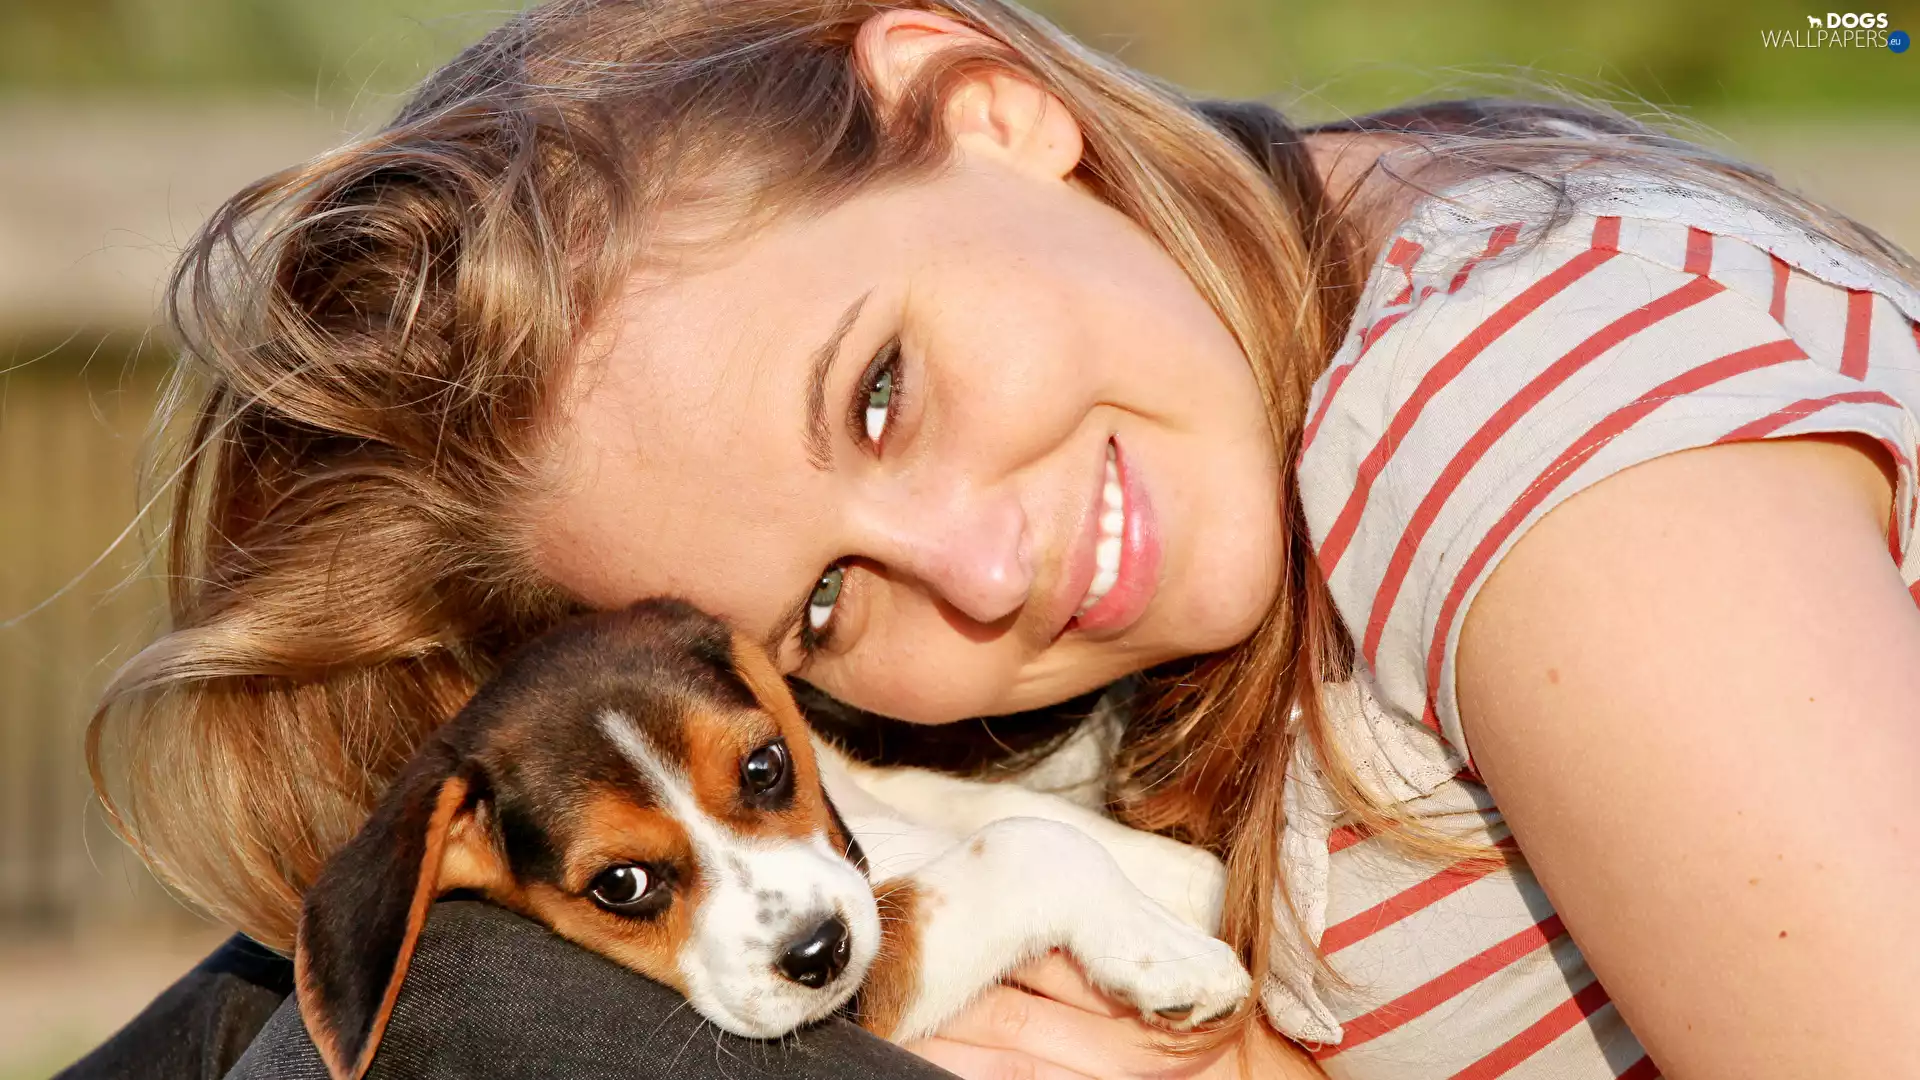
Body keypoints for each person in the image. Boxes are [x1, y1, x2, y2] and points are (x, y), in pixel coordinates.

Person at [66, 1, 1920, 1078]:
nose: (973, 562)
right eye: (819, 599)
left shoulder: (1546, 439)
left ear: (987, 104)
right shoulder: (1278, 358)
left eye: (877, 390)